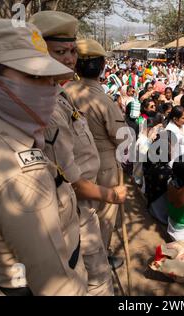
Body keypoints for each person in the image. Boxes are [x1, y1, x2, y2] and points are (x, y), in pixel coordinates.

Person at [0, 19, 89, 295]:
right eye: (33, 76)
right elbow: (56, 287)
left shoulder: (3, 136)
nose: (49, 86)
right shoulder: (17, 174)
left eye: (50, 77)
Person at [30, 11, 128, 294]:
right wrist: (112, 194)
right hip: (79, 197)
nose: (70, 58)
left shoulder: (63, 92)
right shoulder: (47, 107)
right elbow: (71, 177)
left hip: (83, 189)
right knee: (96, 264)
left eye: (73, 51)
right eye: (60, 51)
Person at [65, 39, 129, 267]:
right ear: (102, 65)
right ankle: (99, 259)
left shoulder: (63, 92)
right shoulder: (104, 100)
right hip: (103, 166)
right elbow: (122, 138)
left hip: (70, 162)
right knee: (102, 216)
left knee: (78, 214)